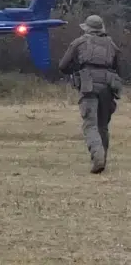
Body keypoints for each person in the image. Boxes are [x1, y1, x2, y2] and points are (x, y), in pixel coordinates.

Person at [58, 14, 122, 174]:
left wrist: (78, 70)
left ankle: (97, 156)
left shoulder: (79, 42)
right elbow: (117, 68)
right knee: (102, 125)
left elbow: (63, 66)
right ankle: (103, 160)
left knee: (90, 124)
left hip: (88, 85)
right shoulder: (111, 44)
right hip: (108, 85)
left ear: (87, 28)